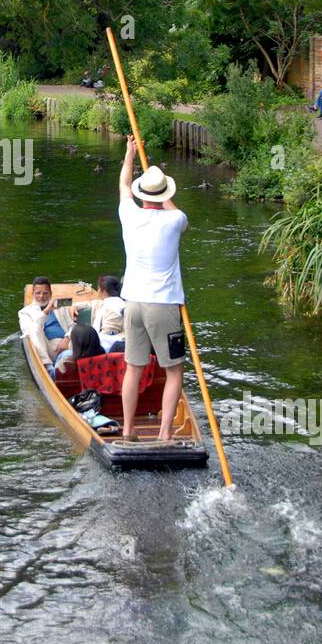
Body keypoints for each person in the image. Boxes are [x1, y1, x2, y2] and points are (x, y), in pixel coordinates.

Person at [118, 135, 188, 442]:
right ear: (163, 195)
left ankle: (128, 431)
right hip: (163, 306)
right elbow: (171, 209)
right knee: (174, 372)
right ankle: (164, 434)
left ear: (141, 194)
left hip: (132, 303)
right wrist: (162, 193)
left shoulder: (128, 214)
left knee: (133, 369)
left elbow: (123, 185)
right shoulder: (175, 220)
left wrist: (130, 154)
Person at [18, 277, 76, 374]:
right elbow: (29, 332)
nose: (41, 296)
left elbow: (72, 325)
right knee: (35, 329)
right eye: (38, 293)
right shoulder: (24, 312)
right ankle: (48, 367)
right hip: (45, 348)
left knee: (83, 333)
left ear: (50, 294)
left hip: (66, 343)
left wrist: (66, 338)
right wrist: (46, 311)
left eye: (45, 293)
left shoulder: (60, 307)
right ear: (32, 294)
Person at [91, 275, 126, 350]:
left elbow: (110, 332)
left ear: (102, 290)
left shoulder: (113, 307)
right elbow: (92, 304)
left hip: (108, 348)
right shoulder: (116, 302)